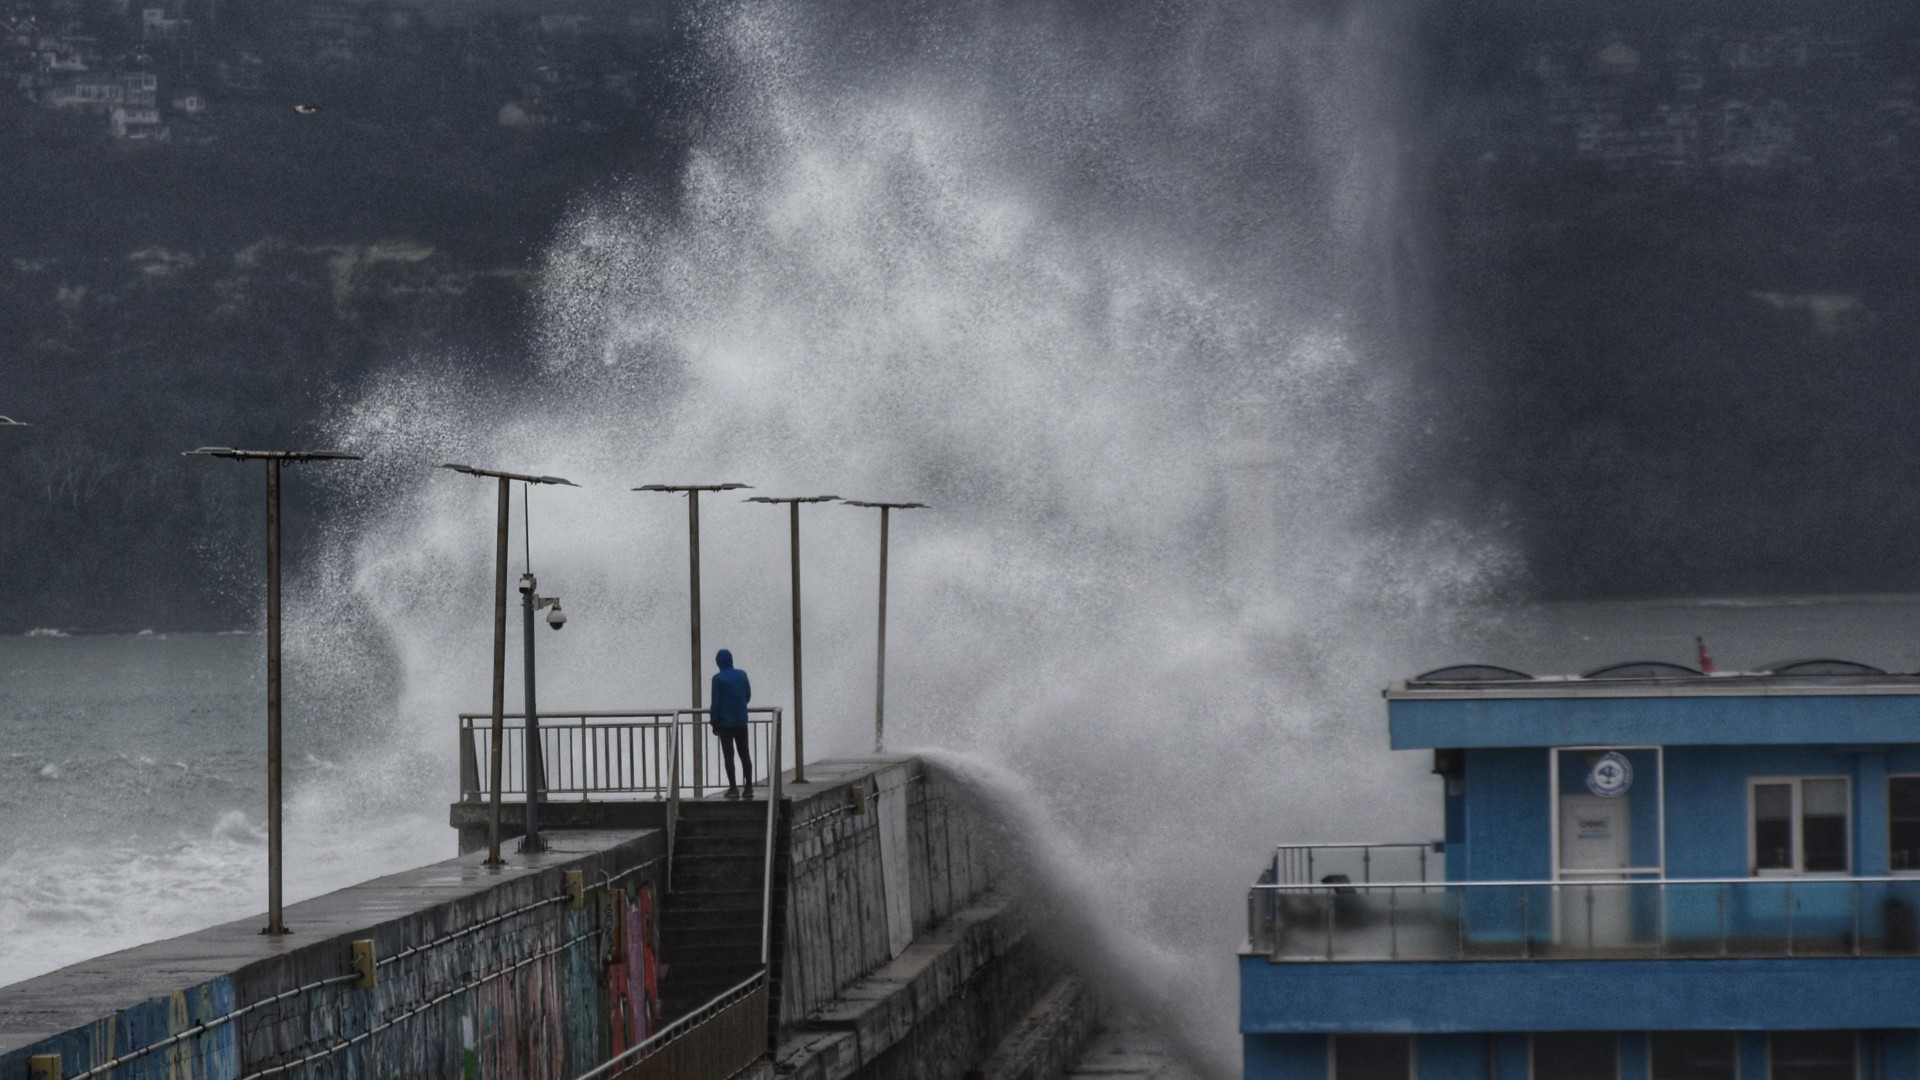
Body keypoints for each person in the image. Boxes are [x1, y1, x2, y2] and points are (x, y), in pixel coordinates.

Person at [709, 648, 753, 798]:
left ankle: (733, 788)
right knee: (744, 754)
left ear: (718, 662)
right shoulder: (742, 675)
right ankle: (749, 787)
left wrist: (714, 722)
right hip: (741, 721)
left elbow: (716, 703)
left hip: (725, 724)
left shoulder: (718, 679)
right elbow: (747, 696)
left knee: (729, 756)